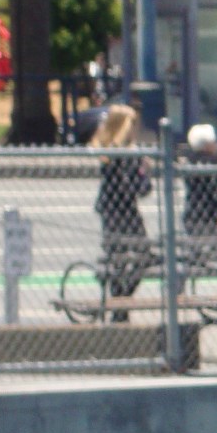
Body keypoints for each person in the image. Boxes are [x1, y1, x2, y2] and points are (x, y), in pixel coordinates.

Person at [89, 103, 152, 320]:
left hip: (120, 210)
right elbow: (138, 187)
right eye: (132, 124)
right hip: (119, 211)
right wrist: (143, 171)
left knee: (133, 257)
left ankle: (121, 303)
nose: (136, 129)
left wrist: (142, 170)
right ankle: (120, 307)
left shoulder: (120, 153)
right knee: (124, 258)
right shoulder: (119, 154)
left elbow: (139, 189)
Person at [183, 123, 217, 236]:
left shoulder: (190, 161)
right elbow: (215, 192)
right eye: (213, 142)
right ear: (206, 145)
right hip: (210, 217)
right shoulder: (212, 163)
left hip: (192, 215)